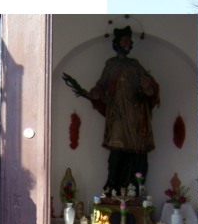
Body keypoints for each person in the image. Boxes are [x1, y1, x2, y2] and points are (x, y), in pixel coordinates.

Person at [64, 25, 159, 193]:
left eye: (129, 41)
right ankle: (112, 187)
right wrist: (95, 93)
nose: (128, 44)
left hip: (136, 116)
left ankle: (136, 190)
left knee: (139, 154)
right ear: (116, 43)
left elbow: (151, 89)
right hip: (118, 116)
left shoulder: (135, 65)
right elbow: (101, 86)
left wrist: (147, 87)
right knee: (116, 153)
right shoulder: (111, 65)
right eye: (124, 41)